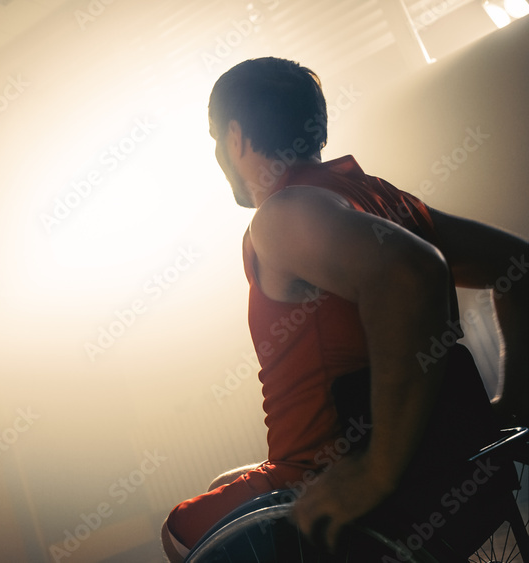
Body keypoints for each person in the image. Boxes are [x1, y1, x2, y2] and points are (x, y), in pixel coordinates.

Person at [161, 57, 528, 562]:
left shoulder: (282, 215)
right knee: (225, 484)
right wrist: (514, 401)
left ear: (237, 136)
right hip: (452, 468)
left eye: (214, 138)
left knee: (181, 531)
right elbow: (517, 264)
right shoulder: (382, 200)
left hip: (327, 476)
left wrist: (378, 470)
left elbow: (411, 274)